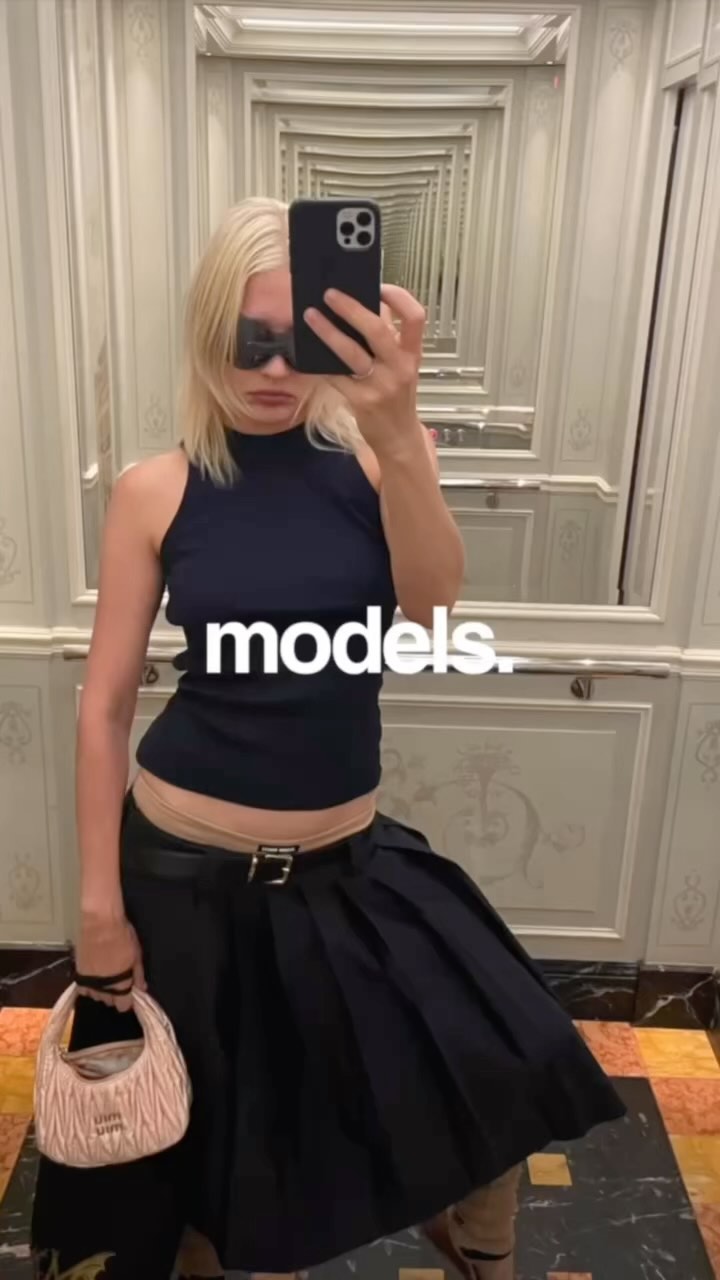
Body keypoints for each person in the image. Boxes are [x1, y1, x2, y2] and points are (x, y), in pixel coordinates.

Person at [30, 197, 625, 1280]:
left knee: (509, 1053)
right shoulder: (155, 490)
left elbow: (433, 615)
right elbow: (105, 705)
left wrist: (398, 429)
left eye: (297, 342)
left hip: (345, 863)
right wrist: (98, 908)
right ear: (203, 334)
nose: (271, 369)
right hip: (185, 874)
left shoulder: (380, 463)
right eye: (244, 339)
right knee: (208, 1154)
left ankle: (472, 1242)